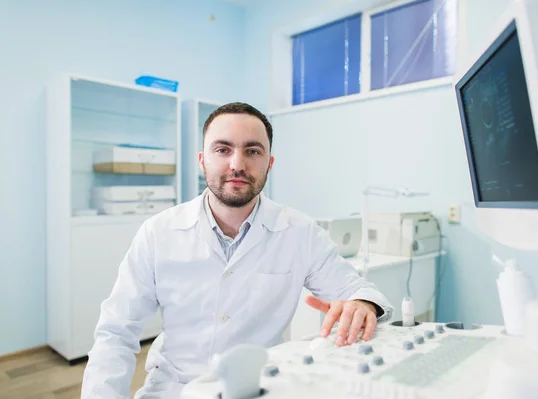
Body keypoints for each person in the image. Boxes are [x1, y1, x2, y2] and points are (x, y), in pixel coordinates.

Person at [81, 102, 394, 398]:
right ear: (202, 160)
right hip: (176, 387)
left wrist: (362, 304)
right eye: (222, 149)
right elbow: (116, 332)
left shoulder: (300, 231)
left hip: (260, 385)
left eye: (252, 151)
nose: (237, 164)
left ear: (269, 164)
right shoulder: (158, 232)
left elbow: (357, 290)